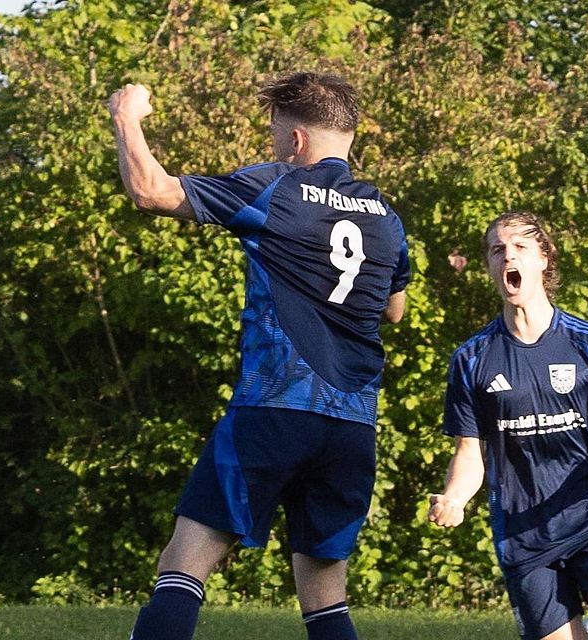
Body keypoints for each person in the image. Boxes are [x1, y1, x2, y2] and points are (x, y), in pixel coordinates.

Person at [108, 72, 411, 640]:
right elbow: (393, 310)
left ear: (296, 140)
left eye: (275, 134)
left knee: (183, 564)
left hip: (274, 409)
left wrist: (127, 117)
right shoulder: (385, 216)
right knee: (326, 599)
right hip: (351, 424)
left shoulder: (278, 187)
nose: (273, 146)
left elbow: (150, 190)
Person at [427, 212, 588, 640]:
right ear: (489, 266)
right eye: (497, 250)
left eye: (519, 248)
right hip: (523, 530)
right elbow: (469, 453)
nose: (507, 257)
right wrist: (455, 498)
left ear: (544, 260)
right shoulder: (472, 358)